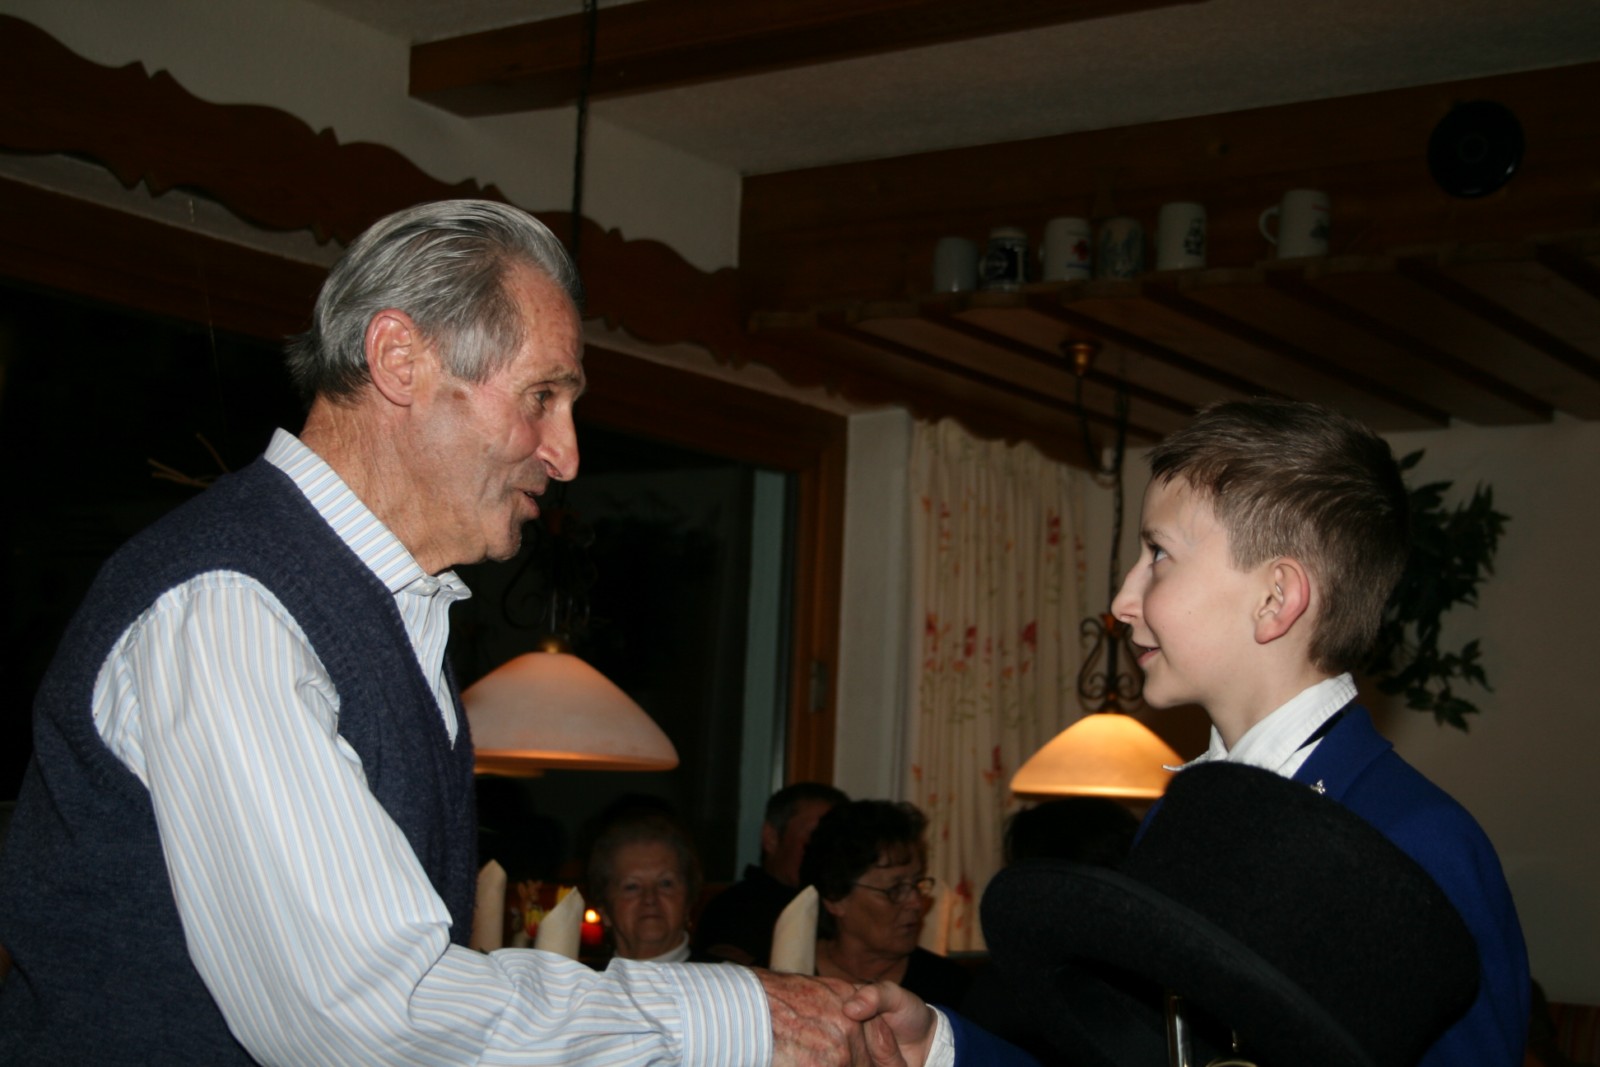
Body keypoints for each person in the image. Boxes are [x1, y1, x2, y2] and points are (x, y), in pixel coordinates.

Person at [0, 199, 879, 1066]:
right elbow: (364, 1010)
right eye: (542, 395)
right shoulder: (232, 605)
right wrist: (739, 1015)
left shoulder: (388, 607)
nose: (567, 454)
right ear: (398, 359)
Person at [1107, 397, 1529, 1066]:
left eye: (1158, 553)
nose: (1123, 600)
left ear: (1276, 598)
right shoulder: (1176, 821)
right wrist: (941, 1045)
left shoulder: (1420, 841)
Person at [801, 800, 972, 1013]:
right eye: (895, 889)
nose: (916, 903)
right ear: (836, 899)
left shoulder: (951, 987)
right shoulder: (789, 971)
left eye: (917, 884)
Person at [696, 781, 847, 966]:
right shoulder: (734, 909)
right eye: (815, 837)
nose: (828, 850)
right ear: (772, 838)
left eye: (837, 841)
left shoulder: (846, 906)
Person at [587, 812, 712, 963]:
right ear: (604, 911)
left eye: (665, 883)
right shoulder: (582, 978)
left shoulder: (726, 976)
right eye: (632, 887)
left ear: (689, 901)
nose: (650, 898)